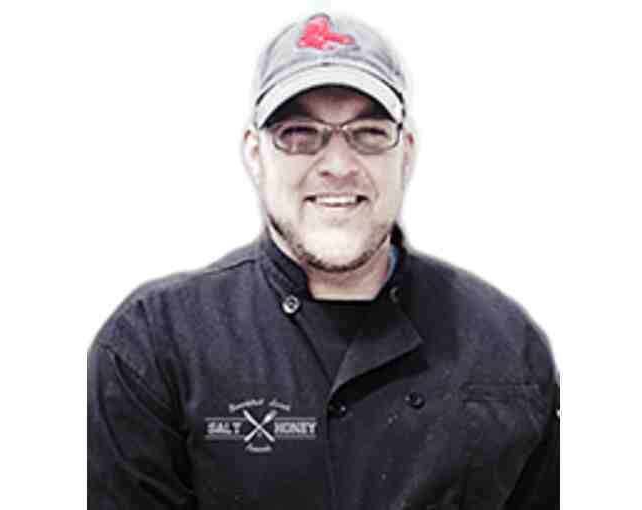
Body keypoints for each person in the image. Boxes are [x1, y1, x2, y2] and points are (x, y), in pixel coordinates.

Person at [87, 12, 559, 510]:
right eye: (299, 133)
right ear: (255, 153)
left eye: (368, 132)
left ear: (406, 152)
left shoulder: (506, 345)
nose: (337, 165)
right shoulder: (153, 347)